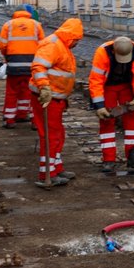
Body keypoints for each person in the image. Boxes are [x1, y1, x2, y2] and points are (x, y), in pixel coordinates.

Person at [30, 18, 84, 188]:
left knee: (58, 134)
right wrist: (44, 88)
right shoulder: (53, 45)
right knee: (50, 135)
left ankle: (56, 168)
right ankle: (47, 173)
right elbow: (38, 67)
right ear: (72, 37)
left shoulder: (62, 46)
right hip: (46, 98)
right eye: (77, 40)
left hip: (55, 98)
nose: (77, 44)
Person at [89, 37, 134, 172]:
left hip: (127, 86)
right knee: (107, 119)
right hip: (108, 87)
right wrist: (100, 105)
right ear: (113, 51)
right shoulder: (102, 53)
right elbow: (96, 80)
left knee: (133, 118)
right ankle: (108, 159)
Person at [0, 7, 45, 129]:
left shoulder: (8, 25)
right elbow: (43, 45)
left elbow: (2, 45)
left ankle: (9, 119)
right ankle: (32, 120)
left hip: (14, 64)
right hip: (32, 65)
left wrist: (7, 57)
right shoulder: (36, 25)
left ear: (16, 14)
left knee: (12, 92)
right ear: (28, 14)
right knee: (32, 92)